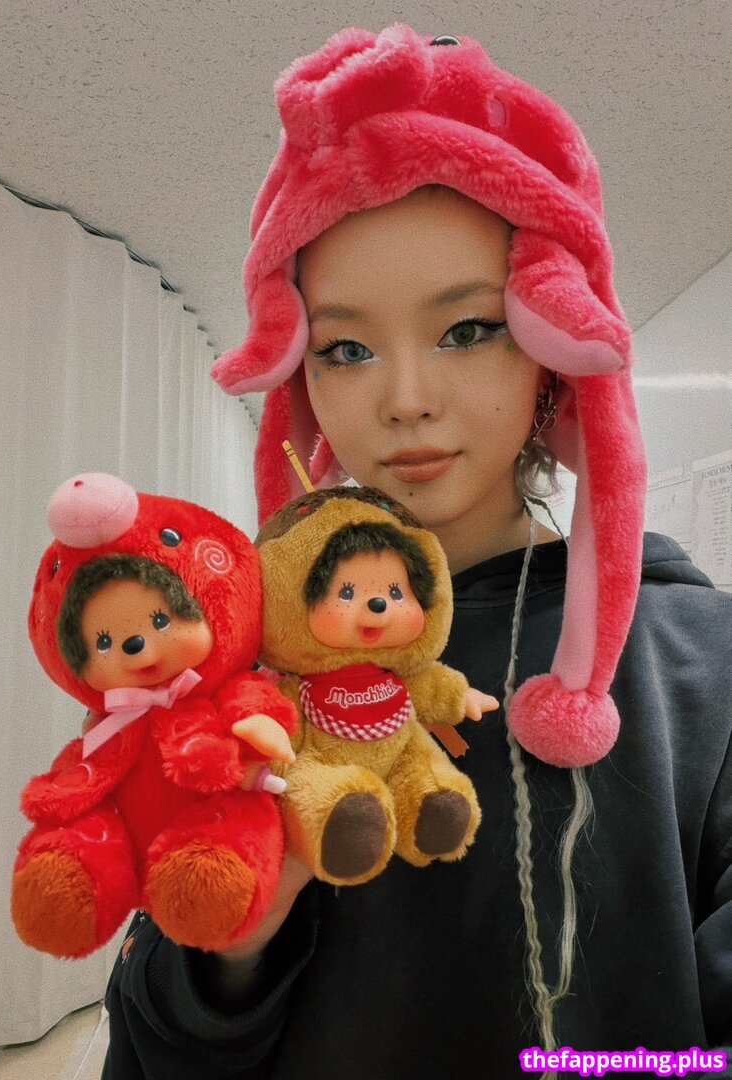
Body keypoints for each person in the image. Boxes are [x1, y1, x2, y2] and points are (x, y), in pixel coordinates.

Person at [102, 25, 731, 1079]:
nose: (404, 400)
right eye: (347, 347)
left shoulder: (705, 667)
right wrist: (233, 947)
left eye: (467, 329)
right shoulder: (248, 676)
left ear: (550, 342)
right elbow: (151, 1041)